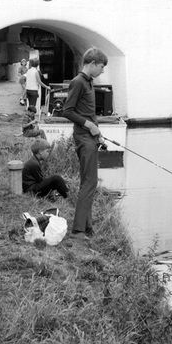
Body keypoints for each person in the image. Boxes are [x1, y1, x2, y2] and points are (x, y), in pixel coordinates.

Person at [61, 47, 108, 239]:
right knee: (90, 183)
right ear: (93, 63)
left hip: (90, 137)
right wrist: (89, 125)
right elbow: (67, 111)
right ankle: (78, 230)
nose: (102, 71)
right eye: (102, 67)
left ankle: (87, 227)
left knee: (89, 182)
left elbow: (89, 114)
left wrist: (99, 135)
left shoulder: (89, 83)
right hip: (83, 138)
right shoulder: (78, 82)